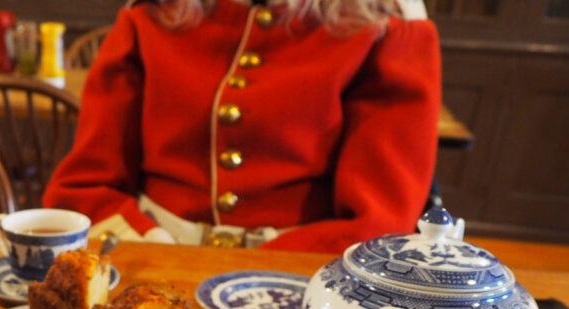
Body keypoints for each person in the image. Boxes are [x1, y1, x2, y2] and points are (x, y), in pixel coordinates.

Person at [42, 0, 441, 254]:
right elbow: (86, 187)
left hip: (299, 283)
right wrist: (158, 252)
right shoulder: (150, 14)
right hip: (150, 260)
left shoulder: (386, 26)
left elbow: (377, 223)